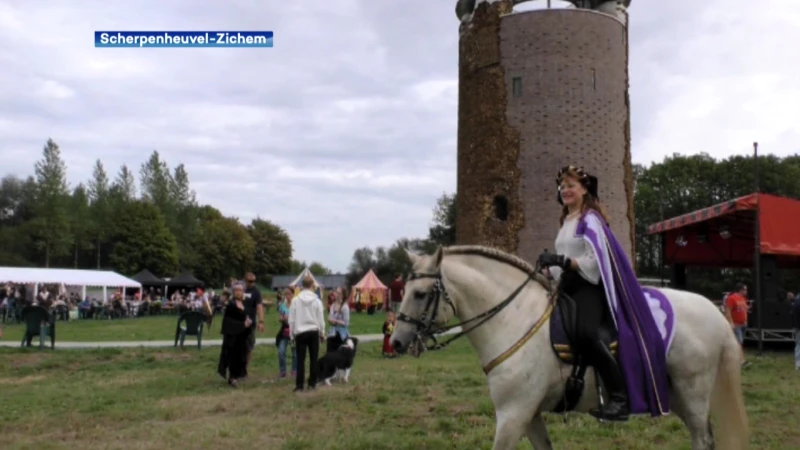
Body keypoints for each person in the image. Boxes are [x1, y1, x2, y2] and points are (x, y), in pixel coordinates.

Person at [536, 165, 670, 422]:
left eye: (571, 186)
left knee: (586, 333)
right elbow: (562, 262)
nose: (565, 190)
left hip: (590, 287)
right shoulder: (565, 222)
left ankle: (619, 399)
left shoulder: (591, 220)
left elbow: (594, 260)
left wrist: (563, 261)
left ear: (584, 189)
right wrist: (548, 268)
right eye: (562, 187)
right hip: (568, 287)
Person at [289, 275, 326, 392]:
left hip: (300, 332)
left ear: (301, 286)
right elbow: (321, 319)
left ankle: (299, 385)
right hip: (313, 331)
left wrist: (291, 334)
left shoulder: (295, 300)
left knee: (300, 360)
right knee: (313, 359)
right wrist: (322, 333)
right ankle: (312, 383)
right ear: (312, 286)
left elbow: (292, 319)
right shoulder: (317, 301)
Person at [217, 282, 252, 387]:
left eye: (240, 290)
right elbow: (227, 321)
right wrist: (242, 324)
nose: (238, 292)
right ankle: (232, 378)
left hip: (242, 335)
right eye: (236, 290)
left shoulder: (244, 304)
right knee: (232, 356)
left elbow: (245, 317)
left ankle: (237, 375)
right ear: (233, 292)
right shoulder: (231, 305)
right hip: (232, 336)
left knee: (241, 356)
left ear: (243, 292)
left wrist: (248, 322)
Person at [243, 272, 265, 375]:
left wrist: (261, 321)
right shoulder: (240, 289)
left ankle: (245, 369)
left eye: (253, 281)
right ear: (245, 280)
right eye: (250, 281)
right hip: (238, 322)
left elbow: (259, 307)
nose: (252, 283)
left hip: (251, 323)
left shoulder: (256, 292)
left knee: (249, 347)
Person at [724, 283, 749, 366]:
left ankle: (733, 358)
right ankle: (741, 361)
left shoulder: (742, 298)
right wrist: (731, 322)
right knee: (739, 342)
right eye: (745, 289)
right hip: (736, 324)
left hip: (743, 324)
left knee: (739, 342)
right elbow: (728, 311)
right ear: (741, 290)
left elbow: (743, 309)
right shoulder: (731, 298)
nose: (746, 291)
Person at [276, 288, 298, 379]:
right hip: (284, 331)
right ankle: (283, 371)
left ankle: (294, 370)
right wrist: (283, 318)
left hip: (294, 331)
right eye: (286, 294)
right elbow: (280, 318)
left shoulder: (297, 305)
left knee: (295, 353)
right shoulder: (282, 306)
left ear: (293, 294)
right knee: (281, 351)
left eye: (289, 294)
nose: (287, 296)